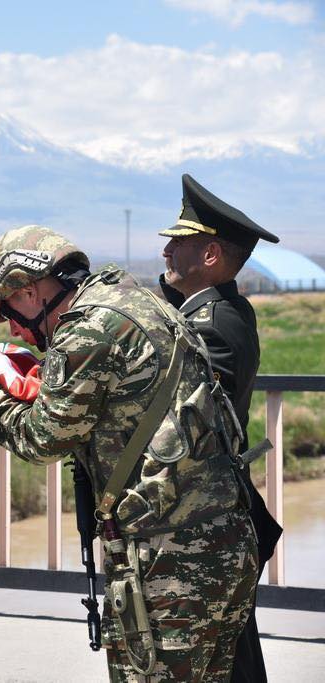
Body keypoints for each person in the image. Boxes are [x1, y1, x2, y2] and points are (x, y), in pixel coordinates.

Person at [0, 225, 257, 681]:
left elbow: (42, 438)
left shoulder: (89, 329)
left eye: (10, 312)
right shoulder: (133, 299)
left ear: (30, 291)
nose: (14, 329)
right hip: (222, 539)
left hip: (168, 558)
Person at [159, 174, 283, 683]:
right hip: (205, 515)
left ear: (210, 255)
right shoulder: (211, 310)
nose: (166, 250)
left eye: (179, 243)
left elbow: (178, 416)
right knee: (228, 650)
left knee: (220, 654)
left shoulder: (216, 323)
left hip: (205, 517)